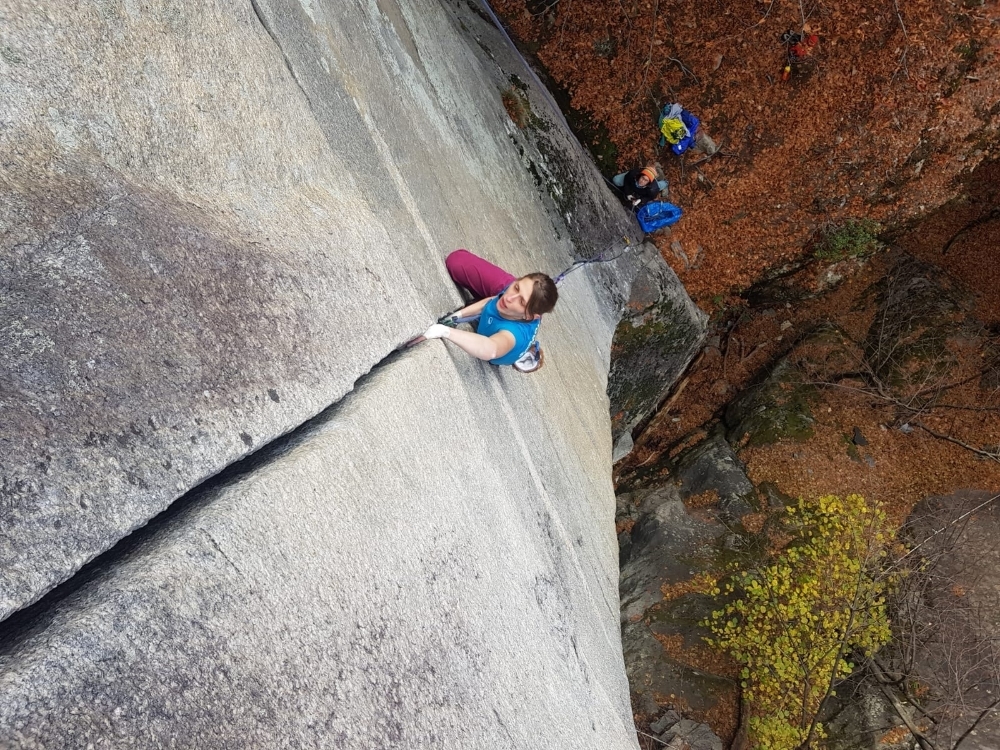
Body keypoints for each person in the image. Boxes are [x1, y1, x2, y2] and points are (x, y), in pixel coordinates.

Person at [419, 249, 558, 370]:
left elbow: (491, 349)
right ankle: (524, 297)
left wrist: (445, 331)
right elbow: (494, 301)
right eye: (516, 287)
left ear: (528, 315)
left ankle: (530, 351)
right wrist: (455, 317)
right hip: (516, 309)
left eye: (521, 301)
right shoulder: (508, 294)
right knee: (456, 262)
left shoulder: (512, 336)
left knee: (509, 310)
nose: (509, 298)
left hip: (512, 327)